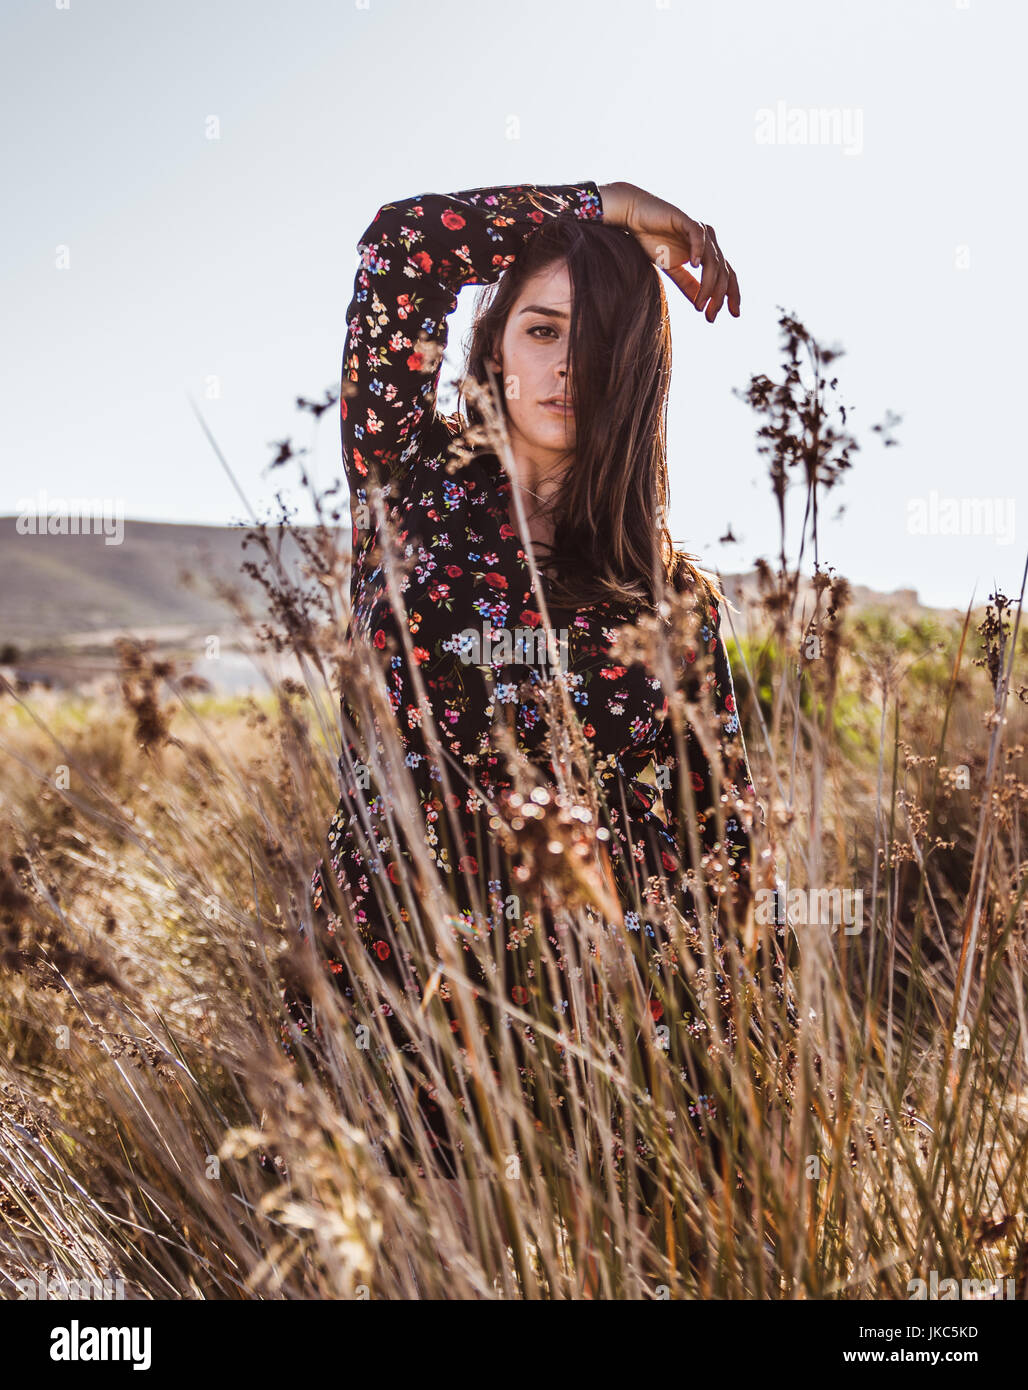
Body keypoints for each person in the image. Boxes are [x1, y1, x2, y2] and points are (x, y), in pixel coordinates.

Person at [283, 179, 770, 1196]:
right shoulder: (408, 485)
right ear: (494, 344)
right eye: (540, 330)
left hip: (586, 1042)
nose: (564, 367)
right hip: (393, 993)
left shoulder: (667, 598)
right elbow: (400, 248)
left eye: (594, 341)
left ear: (636, 369)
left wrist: (702, 1078)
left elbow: (718, 842)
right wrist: (603, 207)